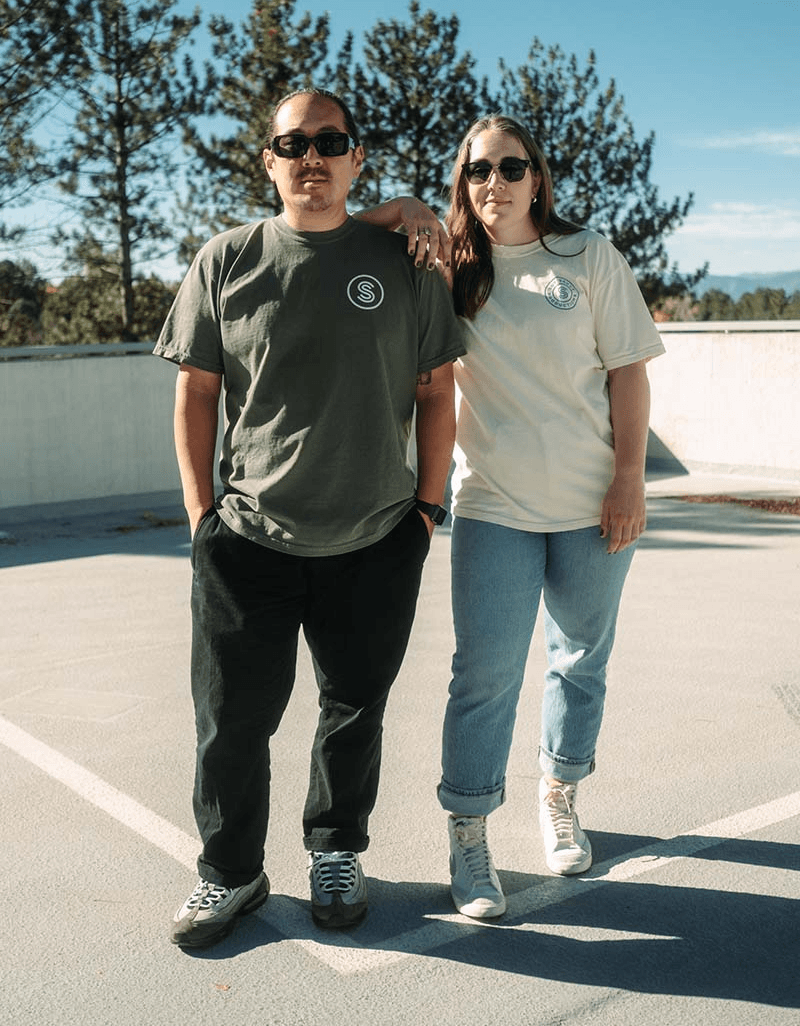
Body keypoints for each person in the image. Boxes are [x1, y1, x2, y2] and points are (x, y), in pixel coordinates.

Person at [153, 88, 465, 948]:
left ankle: (336, 850)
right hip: (247, 539)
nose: (311, 158)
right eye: (293, 144)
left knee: (353, 707)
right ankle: (229, 872)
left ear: (357, 157)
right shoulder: (227, 260)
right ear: (270, 161)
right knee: (230, 721)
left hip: (376, 537)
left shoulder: (403, 258)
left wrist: (427, 510)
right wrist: (199, 513)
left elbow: (437, 390)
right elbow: (197, 392)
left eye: (331, 142)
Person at [360, 114, 665, 918]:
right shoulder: (449, 266)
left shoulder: (588, 256)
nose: (493, 181)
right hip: (493, 505)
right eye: (476, 169)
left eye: (509, 166)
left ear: (538, 174)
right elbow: (331, 235)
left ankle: (559, 793)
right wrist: (398, 206)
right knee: (484, 676)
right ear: (462, 181)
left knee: (580, 660)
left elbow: (628, 374)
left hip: (595, 508)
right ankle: (469, 833)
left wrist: (628, 480)